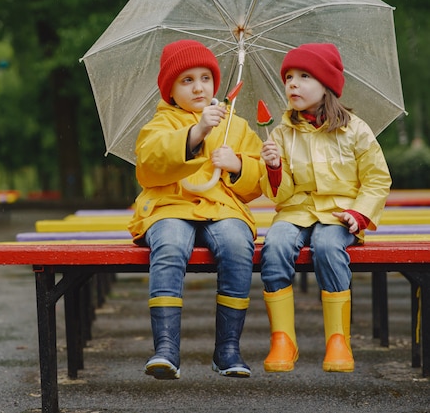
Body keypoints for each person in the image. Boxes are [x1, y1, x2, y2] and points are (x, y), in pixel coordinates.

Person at [127, 39, 263, 380]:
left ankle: (228, 349)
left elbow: (258, 182)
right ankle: (166, 348)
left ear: (216, 83)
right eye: (187, 80)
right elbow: (149, 163)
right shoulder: (160, 124)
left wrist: (237, 166)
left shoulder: (236, 124)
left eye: (205, 77)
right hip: (169, 206)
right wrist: (197, 130)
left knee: (236, 245)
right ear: (170, 89)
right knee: (170, 244)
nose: (198, 86)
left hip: (221, 207)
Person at [259, 43, 392, 373]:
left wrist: (359, 214)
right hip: (296, 211)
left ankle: (338, 339)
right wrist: (274, 168)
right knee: (274, 245)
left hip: (338, 214)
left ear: (327, 85)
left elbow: (377, 179)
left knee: (328, 246)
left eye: (304, 76)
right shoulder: (281, 133)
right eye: (288, 77)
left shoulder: (355, 130)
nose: (293, 83)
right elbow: (279, 196)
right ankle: (282, 339)